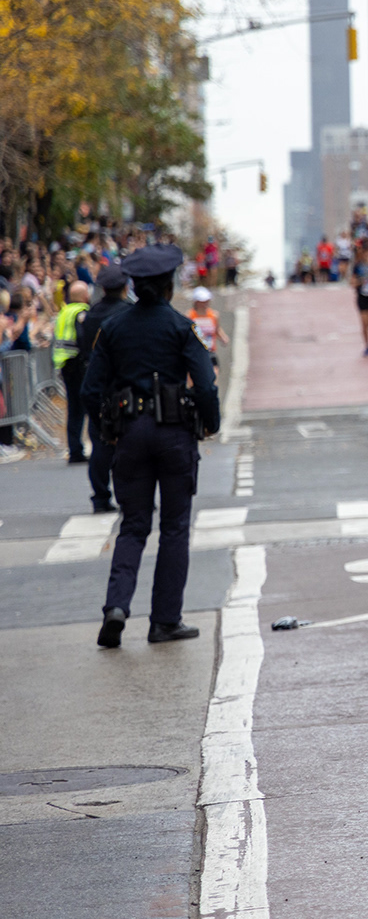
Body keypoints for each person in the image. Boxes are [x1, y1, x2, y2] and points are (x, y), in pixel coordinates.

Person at [80, 244, 220, 648]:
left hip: (129, 435)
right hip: (175, 434)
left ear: (135, 286)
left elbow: (91, 389)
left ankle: (116, 607)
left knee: (133, 525)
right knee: (174, 527)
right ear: (169, 285)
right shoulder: (181, 326)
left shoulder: (114, 328)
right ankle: (164, 621)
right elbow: (206, 384)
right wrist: (209, 424)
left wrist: (108, 429)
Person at [73, 266, 130, 511]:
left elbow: (82, 344)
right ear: (124, 288)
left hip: (96, 382)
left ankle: (100, 496)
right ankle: (130, 495)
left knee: (100, 442)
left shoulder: (91, 314)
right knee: (128, 443)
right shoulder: (128, 314)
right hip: (123, 384)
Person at [53, 280, 90, 464]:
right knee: (86, 405)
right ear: (85, 296)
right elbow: (82, 336)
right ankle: (80, 449)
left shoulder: (64, 312)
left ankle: (74, 448)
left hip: (64, 363)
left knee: (74, 407)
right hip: (78, 363)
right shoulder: (81, 311)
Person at [188, 287, 228, 384]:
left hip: (210, 352)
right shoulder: (191, 316)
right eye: (202, 301)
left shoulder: (213, 315)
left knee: (214, 377)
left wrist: (223, 338)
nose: (205, 303)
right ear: (196, 302)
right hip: (195, 353)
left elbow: (217, 329)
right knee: (193, 381)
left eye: (207, 300)